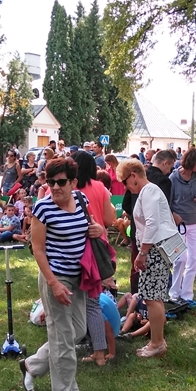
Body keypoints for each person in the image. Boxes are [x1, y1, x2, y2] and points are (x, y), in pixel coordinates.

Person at [20, 158, 103, 391]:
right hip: (55, 277)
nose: (55, 187)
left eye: (61, 182)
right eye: (51, 182)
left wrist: (98, 229)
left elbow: (93, 226)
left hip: (79, 276)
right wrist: (54, 283)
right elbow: (38, 250)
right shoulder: (43, 208)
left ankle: (32, 365)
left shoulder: (81, 200)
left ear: (73, 183)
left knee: (76, 331)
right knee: (63, 336)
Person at [118, 158, 182, 358]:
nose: (126, 187)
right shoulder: (149, 191)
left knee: (152, 298)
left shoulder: (149, 191)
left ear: (133, 176)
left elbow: (152, 224)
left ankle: (157, 343)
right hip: (154, 249)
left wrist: (143, 252)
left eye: (125, 182)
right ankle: (157, 341)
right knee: (154, 298)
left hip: (154, 250)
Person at [74, 151, 117, 366]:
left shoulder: (68, 188)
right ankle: (99, 353)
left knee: (71, 303)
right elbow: (109, 219)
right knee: (93, 304)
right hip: (96, 250)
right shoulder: (100, 187)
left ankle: (72, 344)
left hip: (74, 250)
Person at [169, 148, 196, 304]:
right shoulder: (173, 177)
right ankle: (174, 293)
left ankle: (187, 294)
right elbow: (167, 202)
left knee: (193, 260)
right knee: (180, 259)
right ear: (192, 162)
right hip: (178, 223)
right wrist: (174, 215)